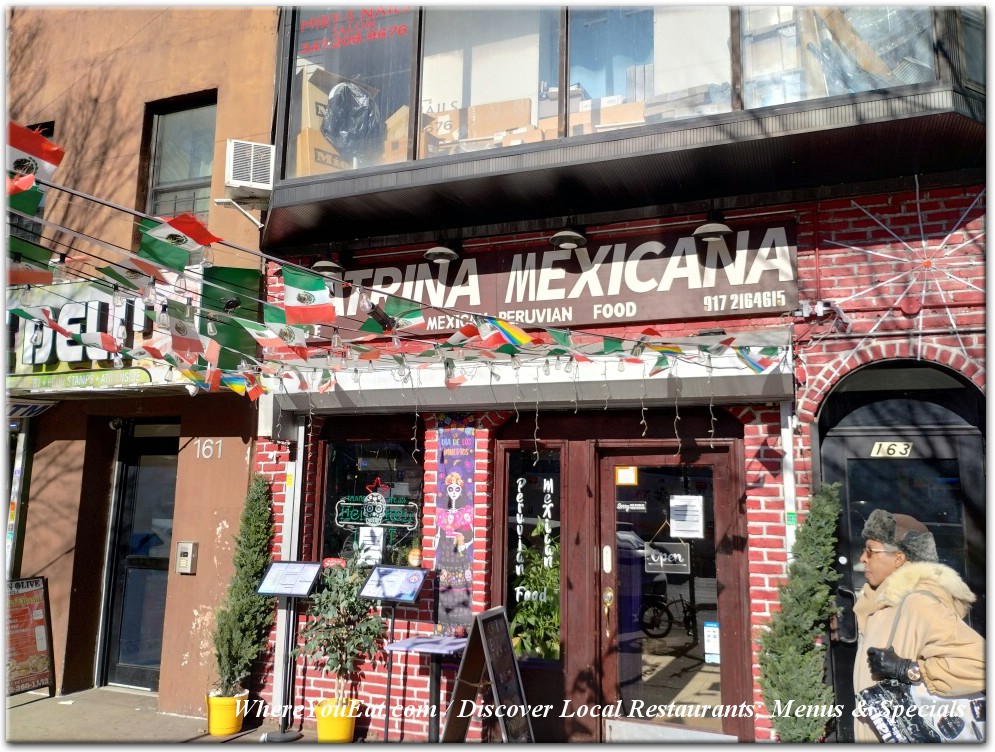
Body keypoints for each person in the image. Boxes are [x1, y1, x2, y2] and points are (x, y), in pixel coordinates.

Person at [853, 509, 985, 742]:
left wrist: (908, 670)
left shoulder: (918, 602)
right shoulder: (881, 604)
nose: (863, 558)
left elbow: (981, 665)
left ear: (898, 558)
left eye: (870, 550)